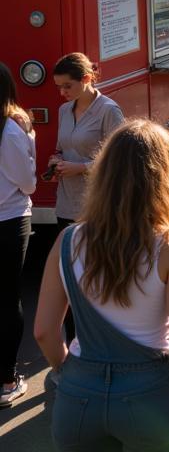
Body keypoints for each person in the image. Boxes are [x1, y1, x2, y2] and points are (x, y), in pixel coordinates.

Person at [34, 120, 169, 452]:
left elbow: (44, 332)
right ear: (165, 177)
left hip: (79, 395)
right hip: (151, 392)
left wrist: (69, 374)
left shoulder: (68, 241)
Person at [52, 53, 125, 342]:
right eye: (59, 87)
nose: (62, 93)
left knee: (97, 278)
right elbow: (61, 147)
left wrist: (80, 168)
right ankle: (75, 342)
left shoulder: (109, 110)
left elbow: (118, 160)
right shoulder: (63, 110)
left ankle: (103, 341)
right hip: (66, 203)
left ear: (86, 79)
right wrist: (55, 161)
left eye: (67, 86)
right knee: (70, 277)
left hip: (97, 205)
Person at [0, 63, 35, 407]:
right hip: (9, 220)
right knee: (9, 300)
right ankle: (7, 379)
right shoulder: (11, 132)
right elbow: (27, 183)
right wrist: (31, 142)